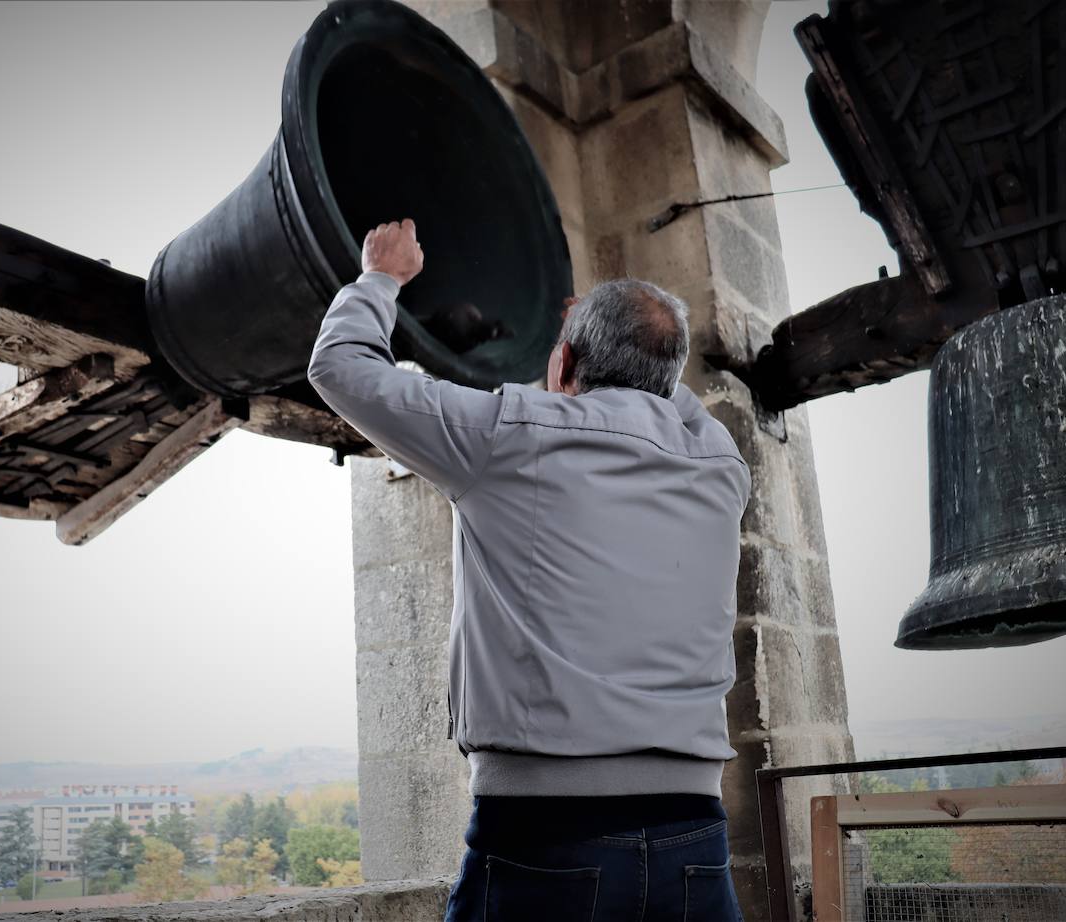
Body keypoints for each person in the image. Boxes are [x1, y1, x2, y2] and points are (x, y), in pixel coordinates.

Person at [308, 219, 750, 921]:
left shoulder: (505, 436)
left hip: (549, 840)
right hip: (695, 842)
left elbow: (339, 367)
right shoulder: (720, 464)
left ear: (565, 363)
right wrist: (607, 341)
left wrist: (380, 277)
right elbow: (662, 392)